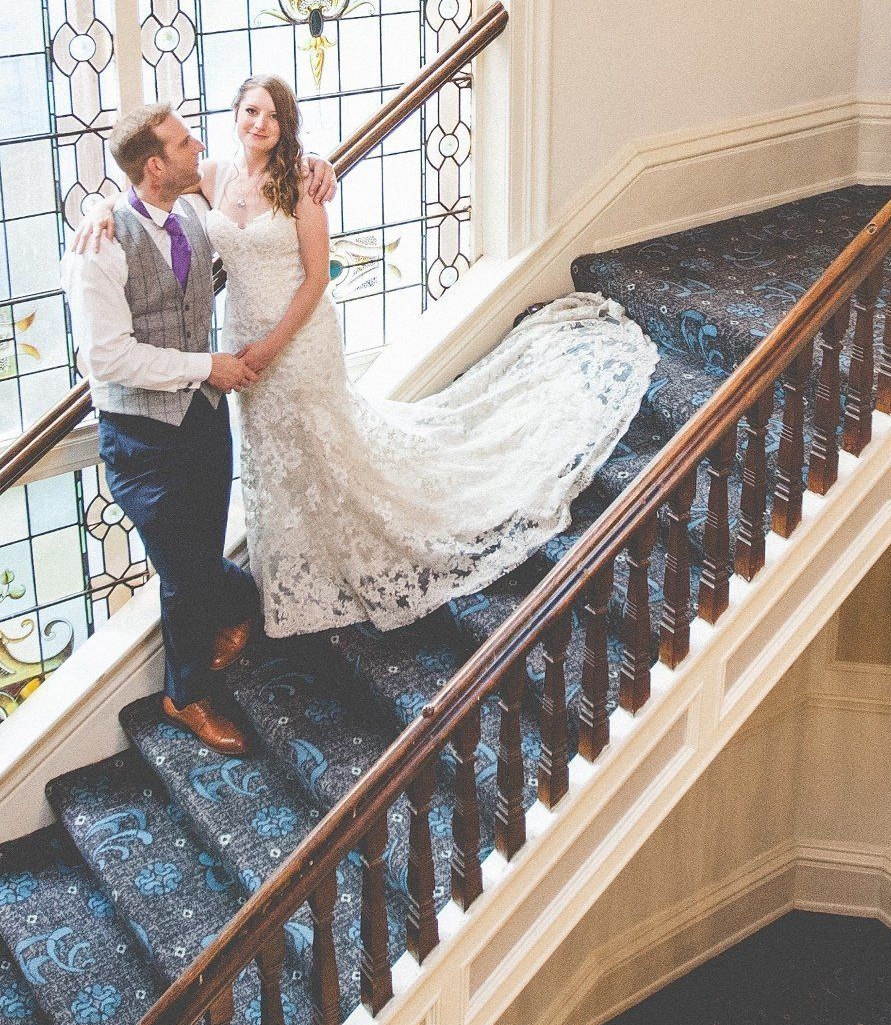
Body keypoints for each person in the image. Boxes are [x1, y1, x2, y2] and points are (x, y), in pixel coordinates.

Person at [81, 77, 657, 642]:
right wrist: (99, 209)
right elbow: (143, 195)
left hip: (297, 342)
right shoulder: (208, 178)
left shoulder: (301, 186)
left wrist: (272, 346)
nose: (258, 124)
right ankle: (292, 572)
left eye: (272, 116)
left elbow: (314, 281)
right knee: (273, 457)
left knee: (326, 448)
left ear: (286, 128)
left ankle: (349, 553)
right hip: (238, 348)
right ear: (233, 116)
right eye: (249, 111)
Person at [58, 102, 327, 754]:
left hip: (205, 421)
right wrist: (209, 365)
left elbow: (255, 192)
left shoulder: (192, 213)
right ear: (155, 166)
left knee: (196, 556)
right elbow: (106, 358)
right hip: (142, 439)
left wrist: (315, 165)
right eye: (183, 143)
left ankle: (229, 615)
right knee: (185, 569)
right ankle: (188, 695)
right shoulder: (98, 247)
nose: (197, 145)